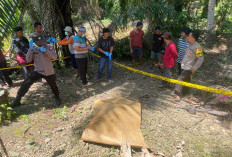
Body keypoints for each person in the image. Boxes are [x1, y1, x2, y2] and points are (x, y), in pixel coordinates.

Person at [11, 33, 61, 108]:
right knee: (27, 82)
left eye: (42, 41)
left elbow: (55, 57)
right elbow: (28, 60)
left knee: (53, 85)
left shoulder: (48, 47)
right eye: (39, 41)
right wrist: (31, 50)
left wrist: (46, 51)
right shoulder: (33, 49)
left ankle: (57, 97)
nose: (41, 43)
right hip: (38, 71)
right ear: (35, 42)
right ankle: (17, 100)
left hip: (49, 71)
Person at [174, 31, 204, 102]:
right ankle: (185, 93)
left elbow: (201, 59)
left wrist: (194, 68)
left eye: (189, 36)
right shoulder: (189, 44)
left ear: (193, 38)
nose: (187, 37)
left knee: (180, 78)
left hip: (189, 67)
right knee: (186, 79)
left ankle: (178, 94)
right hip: (183, 65)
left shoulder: (197, 47)